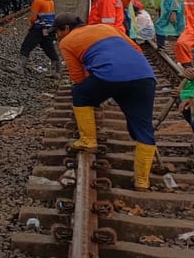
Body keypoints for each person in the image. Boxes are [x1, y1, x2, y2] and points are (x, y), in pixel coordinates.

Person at [53, 13, 157, 189]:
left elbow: (77, 77)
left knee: (80, 93)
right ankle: (142, 181)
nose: (57, 36)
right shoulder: (108, 27)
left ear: (66, 29)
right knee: (144, 129)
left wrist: (97, 94)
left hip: (110, 77)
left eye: (57, 32)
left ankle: (88, 140)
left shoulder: (67, 42)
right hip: (144, 77)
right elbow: (137, 50)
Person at [18, 0, 61, 75]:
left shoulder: (37, 1)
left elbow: (33, 18)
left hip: (38, 29)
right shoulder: (49, 0)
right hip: (49, 29)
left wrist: (30, 27)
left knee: (26, 47)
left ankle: (20, 68)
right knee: (49, 49)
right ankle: (56, 72)